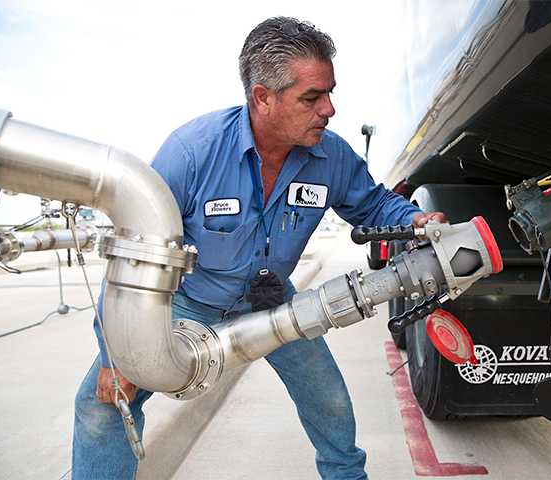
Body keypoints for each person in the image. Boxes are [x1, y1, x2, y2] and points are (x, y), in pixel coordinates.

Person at [72, 16, 446, 480]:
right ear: (263, 97)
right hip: (188, 299)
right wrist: (116, 355)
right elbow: (133, 253)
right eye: (311, 97)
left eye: (330, 93)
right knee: (101, 405)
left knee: (327, 399)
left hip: (269, 297)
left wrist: (415, 220)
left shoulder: (332, 156)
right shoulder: (192, 153)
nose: (329, 109)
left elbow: (373, 205)